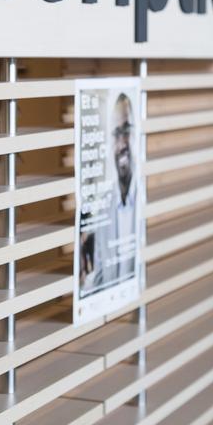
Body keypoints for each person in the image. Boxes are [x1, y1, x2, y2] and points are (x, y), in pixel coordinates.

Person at [83, 92, 138, 293]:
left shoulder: (146, 198)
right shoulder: (103, 208)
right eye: (116, 134)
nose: (122, 143)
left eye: (127, 131)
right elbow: (99, 278)